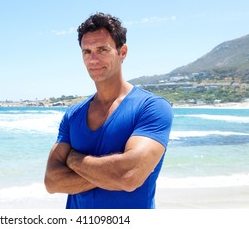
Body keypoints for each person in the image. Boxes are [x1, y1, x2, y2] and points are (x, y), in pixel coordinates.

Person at [44, 12, 173, 209]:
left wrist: (73, 159)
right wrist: (111, 175)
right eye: (86, 52)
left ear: (122, 52)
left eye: (102, 49)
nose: (93, 59)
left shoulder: (151, 107)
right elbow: (52, 182)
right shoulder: (73, 114)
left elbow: (128, 176)